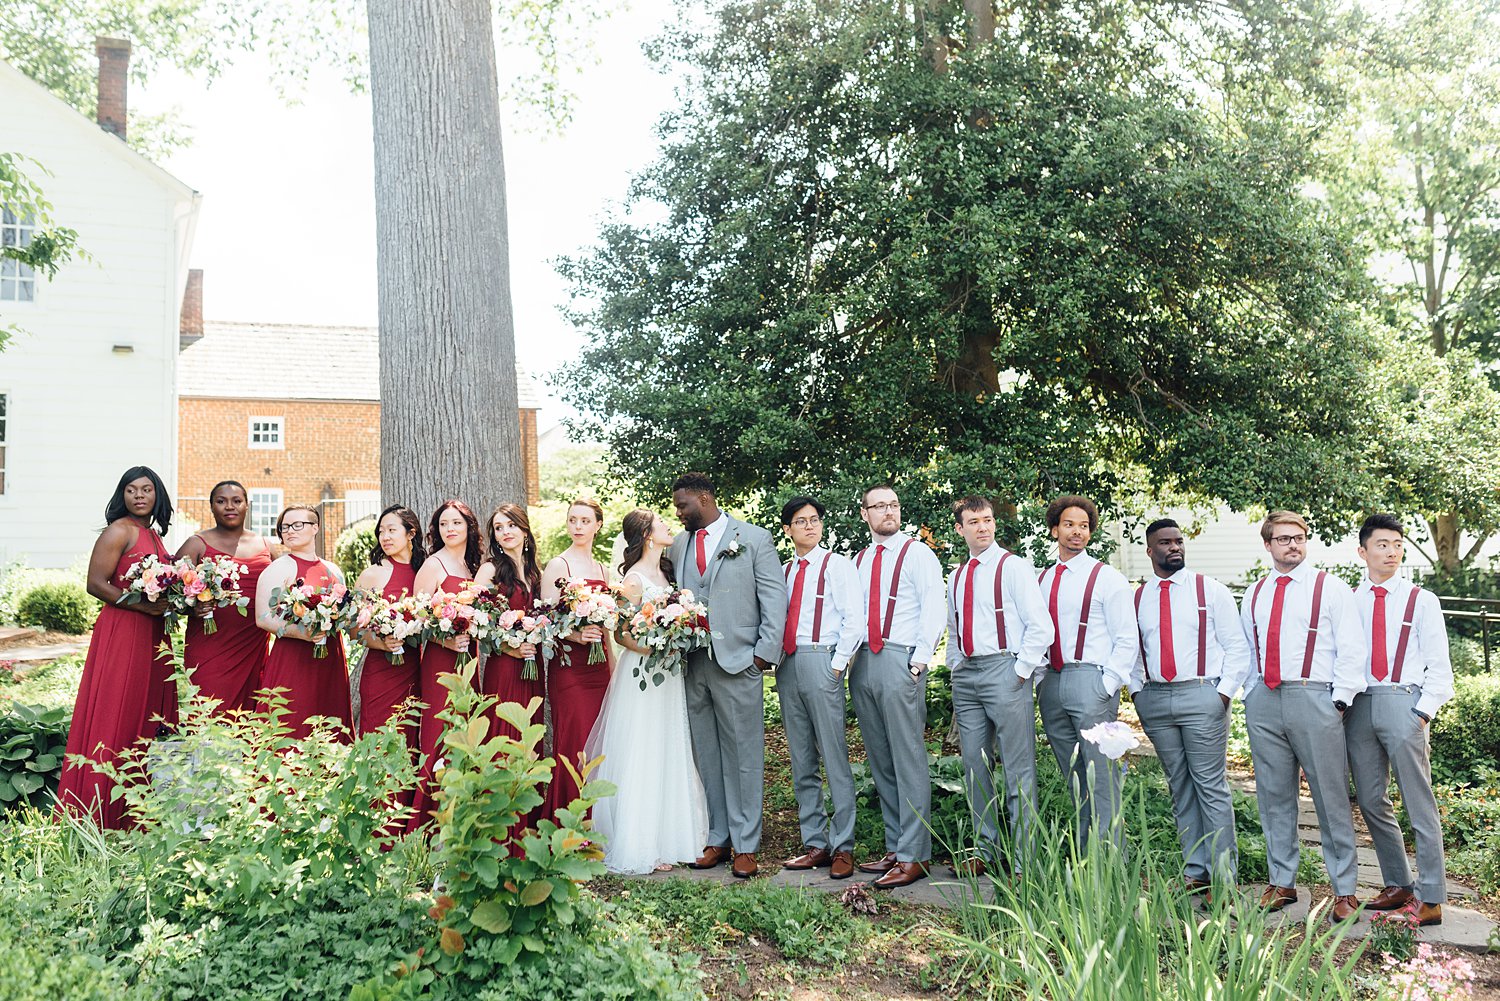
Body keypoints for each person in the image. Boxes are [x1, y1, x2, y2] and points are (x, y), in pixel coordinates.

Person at [1230, 510, 1367, 922]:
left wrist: (1339, 701)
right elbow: (1247, 649)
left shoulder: (1330, 588)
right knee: (1273, 796)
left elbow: (1352, 648)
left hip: (1315, 697)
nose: (1294, 544)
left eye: (1300, 537)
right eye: (1284, 538)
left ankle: (1344, 889)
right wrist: (1249, 693)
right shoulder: (1255, 592)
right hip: (1265, 699)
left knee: (1330, 796)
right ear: (1268, 544)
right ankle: (1281, 882)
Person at [669, 472, 786, 879]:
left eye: (682, 505)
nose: (678, 513)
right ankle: (717, 836)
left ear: (704, 499)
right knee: (707, 754)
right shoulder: (680, 543)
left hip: (739, 663)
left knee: (745, 755)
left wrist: (762, 657)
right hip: (693, 664)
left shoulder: (753, 538)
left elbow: (774, 599)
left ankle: (746, 843)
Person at [585, 509, 709, 873]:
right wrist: (655, 648)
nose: (669, 526)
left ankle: (670, 837)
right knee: (643, 747)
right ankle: (641, 843)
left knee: (668, 745)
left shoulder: (669, 573)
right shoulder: (634, 579)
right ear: (647, 535)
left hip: (669, 674)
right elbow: (621, 633)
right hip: (642, 671)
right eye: (661, 524)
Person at [56, 466, 179, 829]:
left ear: (158, 495)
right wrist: (145, 606)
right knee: (119, 709)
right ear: (121, 495)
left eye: (146, 490)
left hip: (154, 634)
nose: (139, 496)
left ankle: (140, 813)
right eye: (131, 490)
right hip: (124, 631)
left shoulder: (154, 536)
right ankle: (100, 813)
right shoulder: (119, 531)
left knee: (147, 713)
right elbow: (95, 584)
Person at [1132, 518, 1250, 893]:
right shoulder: (1137, 597)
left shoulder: (1209, 590)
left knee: (1210, 786)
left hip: (1202, 694)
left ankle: (1224, 877)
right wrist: (1137, 693)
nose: (1174, 548)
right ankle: (1196, 871)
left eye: (1179, 541)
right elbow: (1131, 650)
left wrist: (1223, 693)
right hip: (1155, 698)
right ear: (1150, 551)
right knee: (1179, 785)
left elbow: (1237, 647)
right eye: (1165, 543)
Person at [1348, 514, 1451, 927]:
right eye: (1382, 545)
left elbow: (1440, 668)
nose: (1391, 551)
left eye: (1396, 544)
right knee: (1371, 800)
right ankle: (1398, 883)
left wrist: (1422, 713)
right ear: (1363, 551)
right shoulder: (1350, 599)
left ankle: (1432, 896)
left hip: (1403, 702)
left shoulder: (1421, 599)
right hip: (1358, 706)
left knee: (1418, 801)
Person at [945, 495, 1052, 877]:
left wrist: (1020, 672)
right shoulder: (957, 576)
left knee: (1018, 768)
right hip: (968, 675)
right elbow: (955, 630)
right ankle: (985, 849)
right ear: (960, 529)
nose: (984, 527)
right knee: (975, 766)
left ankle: (1025, 858)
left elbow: (1042, 627)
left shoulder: (1014, 567)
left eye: (988, 520)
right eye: (974, 521)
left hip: (1006, 669)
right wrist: (956, 667)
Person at [849, 483, 945, 889]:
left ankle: (915, 855)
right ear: (864, 514)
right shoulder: (859, 558)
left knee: (907, 757)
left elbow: (934, 607)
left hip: (900, 657)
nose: (888, 512)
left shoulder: (917, 553)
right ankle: (895, 845)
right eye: (879, 506)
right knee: (880, 758)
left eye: (893, 505)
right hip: (864, 661)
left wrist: (919, 660)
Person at [1036, 495, 1140, 850]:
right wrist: (1040, 680)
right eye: (1069, 524)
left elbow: (1127, 637)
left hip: (1091, 680)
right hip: (1052, 681)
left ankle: (1113, 863)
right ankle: (1086, 858)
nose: (1077, 532)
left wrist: (1106, 684)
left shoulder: (1107, 578)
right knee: (1074, 776)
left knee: (1101, 777)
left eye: (1083, 526)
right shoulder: (1043, 579)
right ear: (1055, 529)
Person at [776, 496, 863, 881]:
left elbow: (854, 620)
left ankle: (843, 846)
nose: (809, 526)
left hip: (822, 659)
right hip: (788, 664)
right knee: (801, 758)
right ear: (788, 530)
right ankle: (815, 842)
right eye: (801, 521)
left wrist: (836, 665)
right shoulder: (783, 571)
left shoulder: (836, 565)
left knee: (834, 755)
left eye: (814, 520)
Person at [407, 499, 483, 832]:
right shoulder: (433, 566)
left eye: (456, 523)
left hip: (472, 659)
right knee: (439, 735)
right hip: (441, 660)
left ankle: (464, 820)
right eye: (443, 524)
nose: (449, 529)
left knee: (468, 733)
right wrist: (446, 640)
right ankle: (430, 826)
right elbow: (416, 619)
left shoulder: (474, 565)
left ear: (469, 527)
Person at [539, 498, 614, 819]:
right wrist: (575, 636)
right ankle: (570, 823)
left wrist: (612, 668)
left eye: (585, 521)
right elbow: (543, 618)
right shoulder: (559, 565)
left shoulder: (603, 569)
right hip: (568, 667)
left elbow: (607, 626)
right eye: (573, 520)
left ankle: (598, 824)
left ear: (598, 525)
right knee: (575, 742)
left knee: (600, 744)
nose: (578, 527)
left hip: (599, 669)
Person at [174, 479, 273, 713]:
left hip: (253, 645)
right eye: (221, 501)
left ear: (247, 505)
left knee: (250, 715)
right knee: (209, 709)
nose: (230, 506)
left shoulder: (267, 545)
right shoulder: (196, 544)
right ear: (212, 507)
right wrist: (191, 608)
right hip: (210, 643)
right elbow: (171, 595)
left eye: (236, 501)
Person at [254, 506, 352, 737]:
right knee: (291, 718)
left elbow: (344, 610)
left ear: (315, 527)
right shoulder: (277, 568)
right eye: (285, 527)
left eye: (298, 525)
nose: (290, 531)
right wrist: (300, 632)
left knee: (330, 717)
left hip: (329, 656)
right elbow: (263, 617)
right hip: (293, 656)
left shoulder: (333, 570)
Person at [354, 504, 426, 736]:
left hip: (418, 669)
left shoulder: (427, 570)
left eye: (391, 530)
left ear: (411, 533)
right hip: (381, 671)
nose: (384, 537)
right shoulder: (372, 574)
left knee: (411, 736)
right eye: (381, 531)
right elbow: (353, 629)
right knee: (378, 735)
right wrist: (381, 642)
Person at [473, 503, 543, 739]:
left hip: (533, 662)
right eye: (499, 528)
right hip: (505, 663)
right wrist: (509, 648)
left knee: (529, 732)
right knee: (504, 731)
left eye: (511, 525)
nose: (506, 532)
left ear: (525, 530)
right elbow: (475, 621)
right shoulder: (489, 570)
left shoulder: (535, 572)